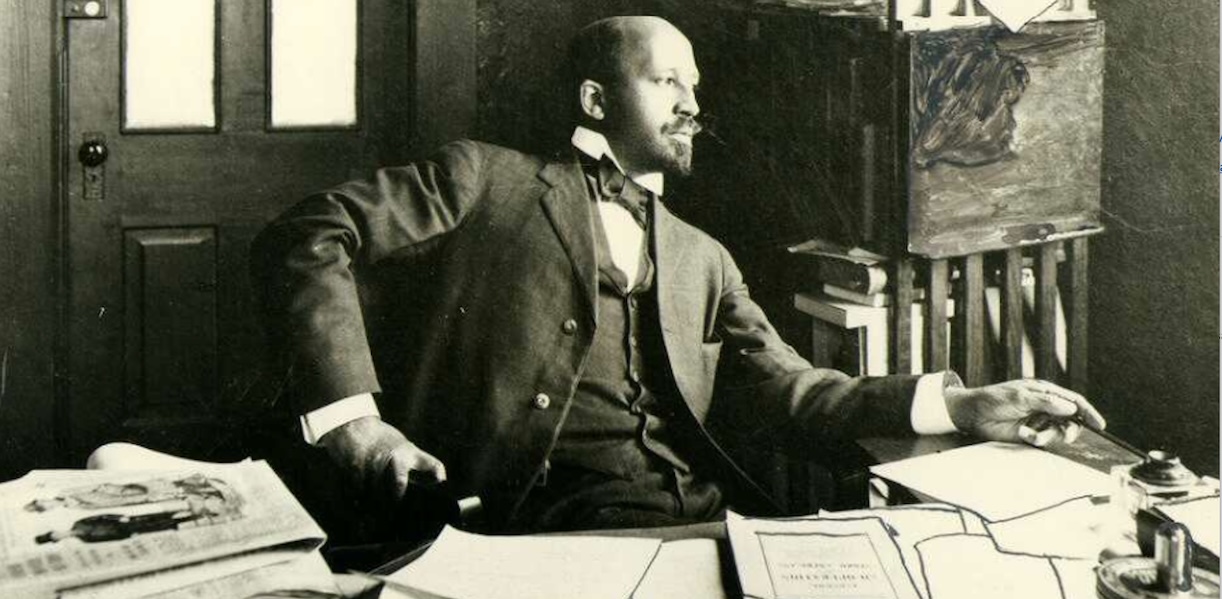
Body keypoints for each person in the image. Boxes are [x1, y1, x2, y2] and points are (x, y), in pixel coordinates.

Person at [252, 16, 1104, 534]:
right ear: (596, 101)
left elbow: (796, 393)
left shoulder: (703, 254)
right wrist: (351, 422)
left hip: (703, 527)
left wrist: (960, 404)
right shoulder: (484, 179)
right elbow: (309, 233)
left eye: (695, 87)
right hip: (527, 534)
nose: (694, 105)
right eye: (667, 82)